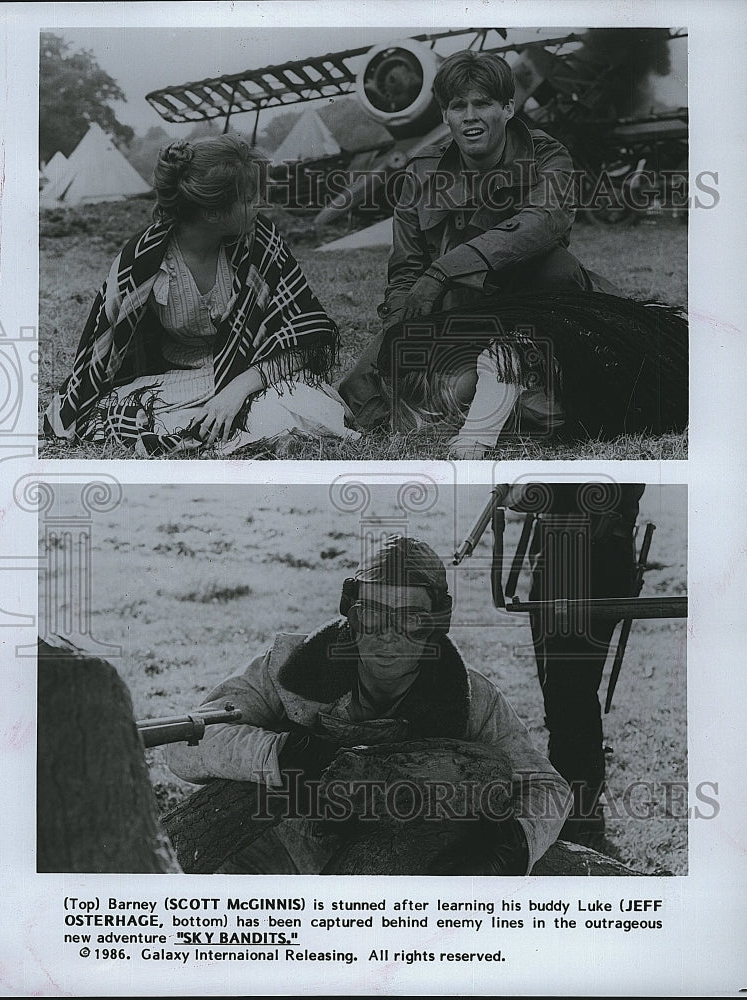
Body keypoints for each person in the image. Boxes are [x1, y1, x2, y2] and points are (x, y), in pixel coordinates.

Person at [164, 534, 572, 875]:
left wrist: (513, 846)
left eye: (411, 618)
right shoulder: (290, 667)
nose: (389, 636)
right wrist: (282, 754)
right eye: (373, 615)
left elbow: (550, 788)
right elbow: (184, 745)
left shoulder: (470, 696)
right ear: (350, 614)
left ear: (435, 622)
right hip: (272, 860)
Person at [337, 50, 620, 456]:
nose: (470, 116)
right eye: (458, 106)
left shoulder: (547, 156)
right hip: (459, 309)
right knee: (363, 394)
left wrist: (442, 272)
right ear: (445, 115)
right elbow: (405, 270)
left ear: (507, 107)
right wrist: (400, 328)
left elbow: (543, 221)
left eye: (483, 103)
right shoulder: (420, 173)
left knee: (559, 274)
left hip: (535, 303)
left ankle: (528, 384)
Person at [43, 133, 355, 456]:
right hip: (178, 381)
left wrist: (237, 390)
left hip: (251, 371)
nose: (260, 206)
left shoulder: (260, 242)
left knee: (309, 410)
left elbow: (303, 339)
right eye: (249, 200)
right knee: (115, 415)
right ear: (212, 213)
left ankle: (231, 422)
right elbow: (102, 352)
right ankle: (229, 427)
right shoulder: (144, 260)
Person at [507, 482, 646, 845]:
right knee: (566, 695)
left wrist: (522, 489)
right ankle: (577, 805)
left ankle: (570, 813)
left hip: (587, 556)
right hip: (563, 553)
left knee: (569, 694)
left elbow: (535, 494)